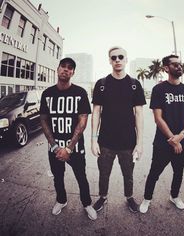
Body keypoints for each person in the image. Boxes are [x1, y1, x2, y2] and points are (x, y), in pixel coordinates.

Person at [40, 57, 97, 220]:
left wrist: (69, 148)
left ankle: (86, 203)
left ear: (73, 72)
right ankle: (61, 200)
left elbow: (83, 121)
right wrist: (54, 146)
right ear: (57, 69)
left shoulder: (80, 93)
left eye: (70, 68)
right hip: (55, 149)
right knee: (58, 177)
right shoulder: (47, 94)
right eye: (63, 66)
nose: (66, 69)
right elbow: (43, 119)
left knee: (81, 177)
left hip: (76, 149)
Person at [91, 46, 146, 213]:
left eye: (121, 57)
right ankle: (102, 197)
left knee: (128, 175)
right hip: (105, 142)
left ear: (126, 59)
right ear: (109, 60)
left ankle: (129, 197)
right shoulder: (102, 84)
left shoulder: (135, 85)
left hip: (128, 142)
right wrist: (93, 139)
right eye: (113, 57)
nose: (117, 60)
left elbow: (139, 114)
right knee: (103, 174)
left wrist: (140, 142)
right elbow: (96, 112)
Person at [139, 55, 184, 213]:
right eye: (175, 64)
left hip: (182, 140)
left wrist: (181, 136)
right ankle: (147, 199)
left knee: (179, 172)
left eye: (180, 64)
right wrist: (172, 139)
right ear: (166, 68)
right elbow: (158, 118)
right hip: (163, 142)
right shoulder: (159, 89)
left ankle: (174, 196)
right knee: (154, 173)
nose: (179, 67)